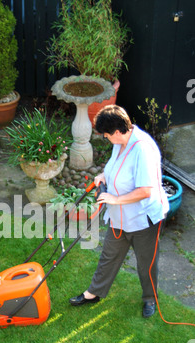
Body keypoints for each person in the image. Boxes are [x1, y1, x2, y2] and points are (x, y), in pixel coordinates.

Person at [69, 105, 169, 318]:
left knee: (146, 263)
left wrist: (115, 198)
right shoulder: (120, 142)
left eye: (106, 135)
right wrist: (104, 176)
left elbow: (145, 190)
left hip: (143, 219)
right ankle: (93, 293)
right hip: (118, 217)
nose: (106, 138)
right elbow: (115, 166)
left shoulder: (143, 149)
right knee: (109, 256)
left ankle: (150, 299)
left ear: (116, 131)